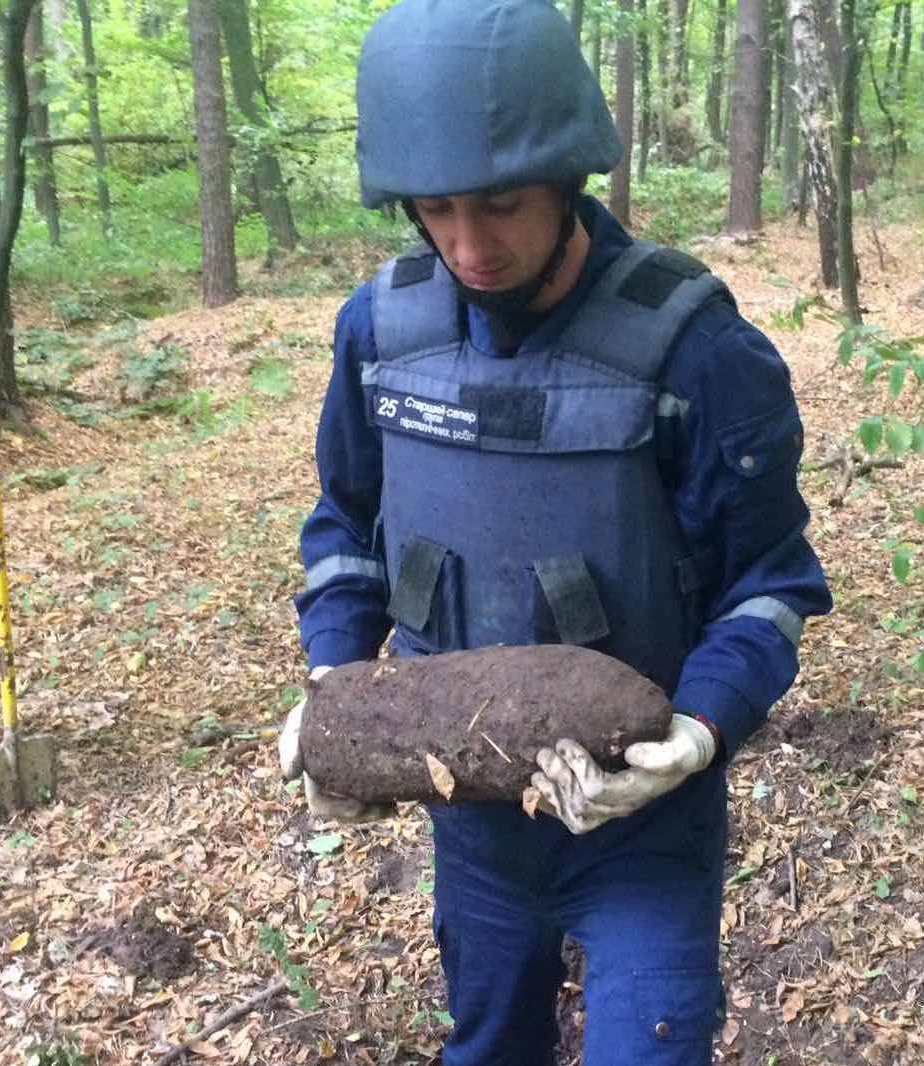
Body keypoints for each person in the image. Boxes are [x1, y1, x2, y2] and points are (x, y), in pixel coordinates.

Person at [279, 1, 832, 1061]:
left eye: (501, 204)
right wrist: (333, 690)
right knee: (487, 1045)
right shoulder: (381, 337)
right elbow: (344, 527)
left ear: (570, 175)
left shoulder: (695, 353)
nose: (469, 245)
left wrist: (698, 734)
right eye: (435, 209)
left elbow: (769, 583)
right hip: (471, 824)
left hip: (641, 829)